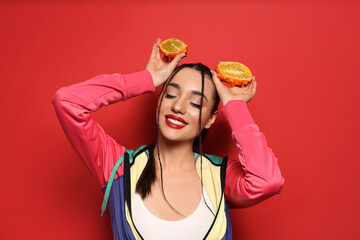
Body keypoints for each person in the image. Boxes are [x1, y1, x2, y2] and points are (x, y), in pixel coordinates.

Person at [52, 38, 285, 240]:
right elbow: (68, 102)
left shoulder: (220, 176)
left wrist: (235, 106)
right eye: (170, 94)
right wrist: (146, 79)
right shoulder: (119, 167)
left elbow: (267, 181)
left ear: (211, 118)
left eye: (195, 103)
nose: (178, 106)